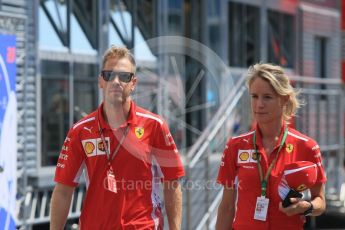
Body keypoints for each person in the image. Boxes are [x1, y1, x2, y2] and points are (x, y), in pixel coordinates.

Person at [50, 46, 185, 230]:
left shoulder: (155, 126)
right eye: (109, 75)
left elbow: (171, 183)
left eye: (124, 76)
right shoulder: (80, 131)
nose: (116, 82)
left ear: (133, 83)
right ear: (100, 81)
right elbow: (63, 191)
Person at [215, 63, 326, 230]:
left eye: (267, 97)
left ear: (284, 99)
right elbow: (227, 208)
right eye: (254, 96)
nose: (259, 104)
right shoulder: (235, 146)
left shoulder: (307, 146)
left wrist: (306, 207)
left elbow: (321, 202)